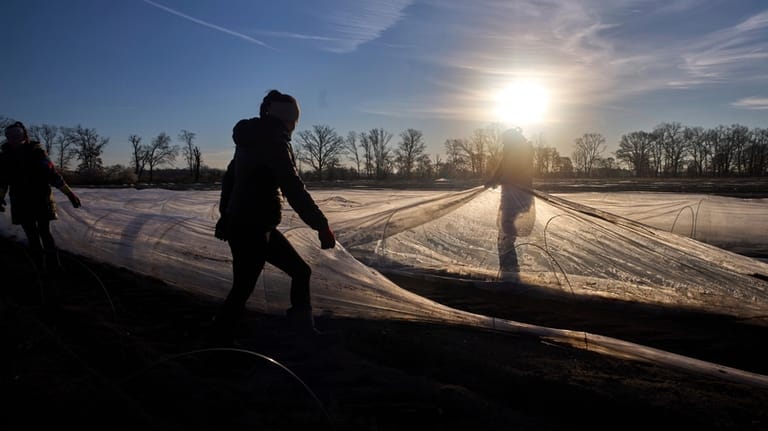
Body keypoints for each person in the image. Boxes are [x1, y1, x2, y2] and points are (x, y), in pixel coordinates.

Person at [208, 90, 336, 345]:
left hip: (251, 224)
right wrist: (321, 226)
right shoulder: (274, 143)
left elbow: (231, 180)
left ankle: (301, 327)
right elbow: (293, 188)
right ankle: (218, 338)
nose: (294, 126)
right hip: (251, 227)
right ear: (289, 120)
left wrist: (226, 215)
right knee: (243, 286)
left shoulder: (249, 140)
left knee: (300, 271)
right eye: (295, 121)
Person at [0, 121, 81, 273]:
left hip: (41, 199)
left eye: (17, 134)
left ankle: (54, 266)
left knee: (45, 232)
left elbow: (54, 176)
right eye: (10, 135)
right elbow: (3, 181)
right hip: (20, 201)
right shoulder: (4, 157)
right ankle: (38, 266)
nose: (13, 138)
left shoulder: (37, 153)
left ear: (24, 135)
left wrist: (70, 194)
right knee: (31, 235)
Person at [485, 128, 535, 282]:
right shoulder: (509, 152)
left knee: (506, 234)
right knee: (504, 235)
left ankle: (510, 274)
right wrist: (493, 180)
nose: (503, 144)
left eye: (505, 141)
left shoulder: (522, 151)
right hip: (510, 198)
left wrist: (503, 178)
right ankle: (509, 271)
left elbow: (519, 170)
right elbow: (501, 170)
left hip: (517, 198)